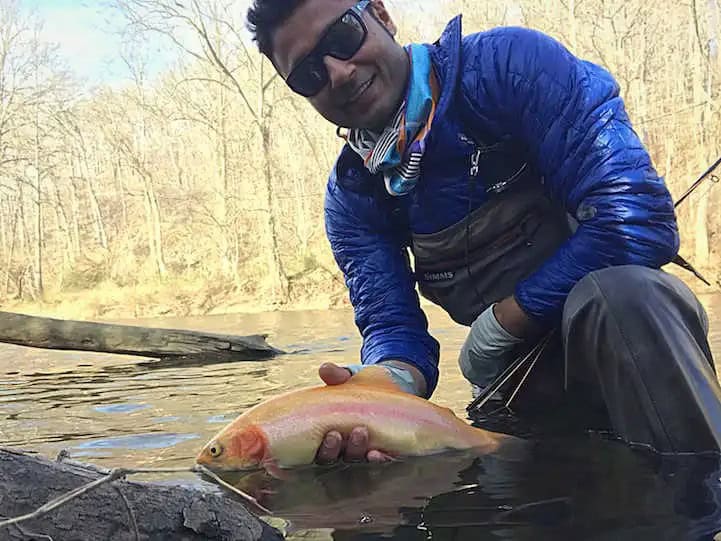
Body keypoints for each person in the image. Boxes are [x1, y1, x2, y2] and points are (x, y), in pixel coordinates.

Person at [246, 0, 721, 461]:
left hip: (637, 344)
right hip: (513, 383)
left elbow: (638, 219)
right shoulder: (353, 198)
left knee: (624, 293)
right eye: (309, 73)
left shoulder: (507, 70)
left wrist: (506, 321)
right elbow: (394, 329)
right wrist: (379, 388)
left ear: (382, 15)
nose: (339, 72)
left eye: (343, 36)